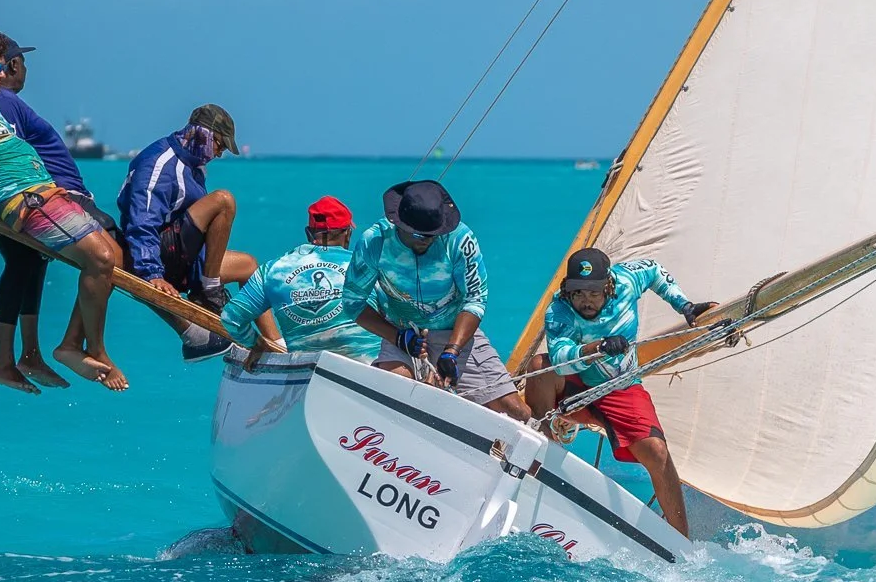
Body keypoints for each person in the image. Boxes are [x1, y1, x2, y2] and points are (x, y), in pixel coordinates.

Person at [0, 26, 128, 392]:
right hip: (27, 201)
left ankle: (75, 345)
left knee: (113, 255)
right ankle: (88, 349)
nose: (2, 75)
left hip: (44, 194)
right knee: (101, 259)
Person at [528, 248, 716, 537]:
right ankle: (545, 454)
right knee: (540, 367)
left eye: (593, 292)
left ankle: (680, 540)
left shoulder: (627, 280)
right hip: (577, 381)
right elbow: (562, 359)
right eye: (578, 292)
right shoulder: (559, 310)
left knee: (657, 453)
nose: (585, 300)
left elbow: (653, 269)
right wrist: (598, 347)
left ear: (608, 285)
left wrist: (684, 306)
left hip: (621, 387)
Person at [340, 180, 529, 422]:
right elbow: (353, 303)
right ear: (399, 224)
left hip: (454, 334)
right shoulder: (374, 242)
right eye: (420, 235)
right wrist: (396, 336)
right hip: (401, 333)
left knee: (517, 413)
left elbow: (475, 300)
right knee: (394, 394)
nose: (428, 241)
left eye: (434, 235)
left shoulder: (460, 239)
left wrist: (452, 350)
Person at [0, 35, 116, 392]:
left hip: (37, 199)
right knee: (113, 250)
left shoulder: (2, 102)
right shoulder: (7, 101)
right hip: (49, 198)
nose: (25, 68)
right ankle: (78, 345)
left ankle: (25, 355)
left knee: (28, 263)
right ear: (13, 65)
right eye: (23, 62)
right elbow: (5, 155)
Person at [117, 106, 259, 360]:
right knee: (224, 200)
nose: (218, 153)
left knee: (248, 265)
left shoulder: (195, 166)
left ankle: (274, 345)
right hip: (156, 256)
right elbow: (142, 222)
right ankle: (209, 291)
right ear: (202, 134)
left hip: (179, 254)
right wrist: (152, 273)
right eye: (219, 145)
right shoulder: (161, 162)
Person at [223, 197, 368, 365]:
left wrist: (256, 344)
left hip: (302, 368)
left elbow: (230, 319)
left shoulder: (273, 270)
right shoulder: (367, 266)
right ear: (348, 233)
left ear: (308, 233)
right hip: (367, 368)